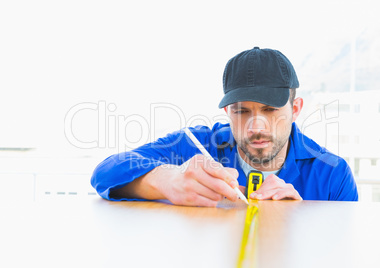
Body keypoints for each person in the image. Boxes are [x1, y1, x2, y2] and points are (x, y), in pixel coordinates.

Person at [91, 47, 358, 206]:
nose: (256, 126)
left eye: (270, 109)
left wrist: (301, 221)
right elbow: (104, 172)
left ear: (296, 109)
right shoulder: (194, 146)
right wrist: (167, 180)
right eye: (242, 111)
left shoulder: (333, 174)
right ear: (228, 112)